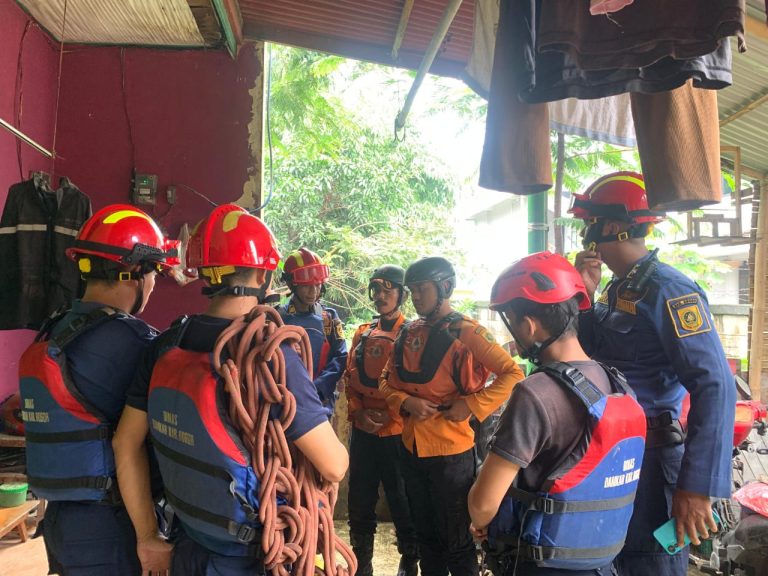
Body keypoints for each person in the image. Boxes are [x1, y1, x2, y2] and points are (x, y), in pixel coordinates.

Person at [112, 205, 348, 575]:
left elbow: (124, 443)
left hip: (186, 541)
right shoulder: (271, 354)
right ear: (264, 274)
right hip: (249, 557)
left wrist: (147, 537)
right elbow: (334, 465)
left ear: (205, 273)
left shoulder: (166, 344)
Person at [571, 171, 736, 576]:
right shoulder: (617, 288)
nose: (584, 232)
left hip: (655, 458)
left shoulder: (670, 290)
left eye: (588, 222)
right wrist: (586, 297)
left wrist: (697, 487)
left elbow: (715, 384)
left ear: (611, 226)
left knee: (652, 563)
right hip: (614, 453)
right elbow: (592, 357)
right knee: (615, 559)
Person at [18, 204, 177, 575]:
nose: (155, 283)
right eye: (155, 272)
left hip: (60, 520)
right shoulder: (132, 343)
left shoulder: (55, 327)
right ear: (133, 273)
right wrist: (149, 535)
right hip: (110, 525)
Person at [468, 251, 647, 576]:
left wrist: (481, 521)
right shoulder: (618, 384)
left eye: (512, 322)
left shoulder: (534, 393)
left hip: (540, 565)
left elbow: (482, 505)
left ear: (529, 325)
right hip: (604, 566)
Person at [379, 256, 525, 576]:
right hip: (411, 448)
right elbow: (385, 381)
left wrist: (471, 405)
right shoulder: (408, 332)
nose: (416, 297)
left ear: (444, 287)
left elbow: (511, 373)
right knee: (427, 539)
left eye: (423, 289)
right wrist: (405, 402)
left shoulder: (467, 331)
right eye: (413, 290)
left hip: (451, 453)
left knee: (457, 543)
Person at [345, 265, 419, 576]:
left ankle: (409, 560)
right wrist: (358, 412)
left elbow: (415, 384)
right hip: (364, 430)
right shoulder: (362, 333)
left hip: (397, 431)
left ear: (402, 294)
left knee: (402, 500)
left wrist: (389, 414)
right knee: (359, 500)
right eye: (376, 290)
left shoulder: (414, 334)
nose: (381, 296)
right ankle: (362, 564)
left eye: (388, 290)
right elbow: (350, 379)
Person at [277, 247, 348, 417]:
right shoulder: (278, 318)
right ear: (291, 284)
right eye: (307, 287)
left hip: (320, 400)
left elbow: (340, 356)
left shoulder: (328, 318)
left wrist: (318, 388)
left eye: (317, 286)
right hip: (286, 400)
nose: (313, 292)